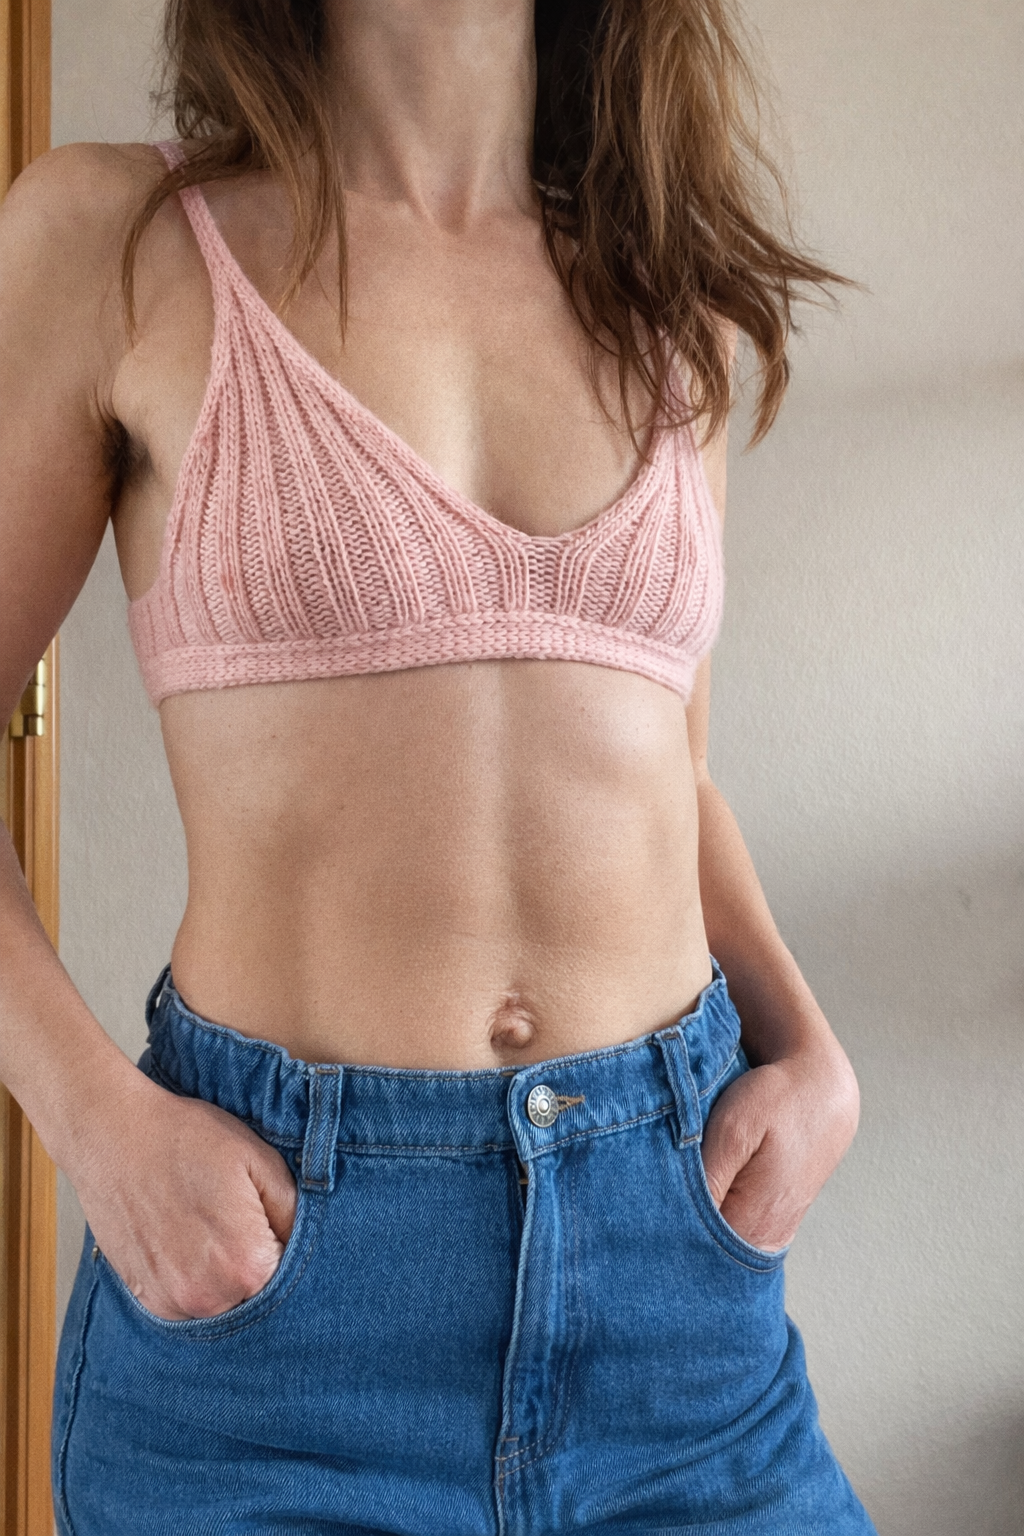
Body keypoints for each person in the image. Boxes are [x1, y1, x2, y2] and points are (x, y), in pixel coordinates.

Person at [0, 0, 876, 1530]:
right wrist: (96, 1125)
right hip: (278, 1302)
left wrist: (813, 1054)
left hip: (673, 1279)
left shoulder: (669, 301)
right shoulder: (116, 241)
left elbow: (668, 772)